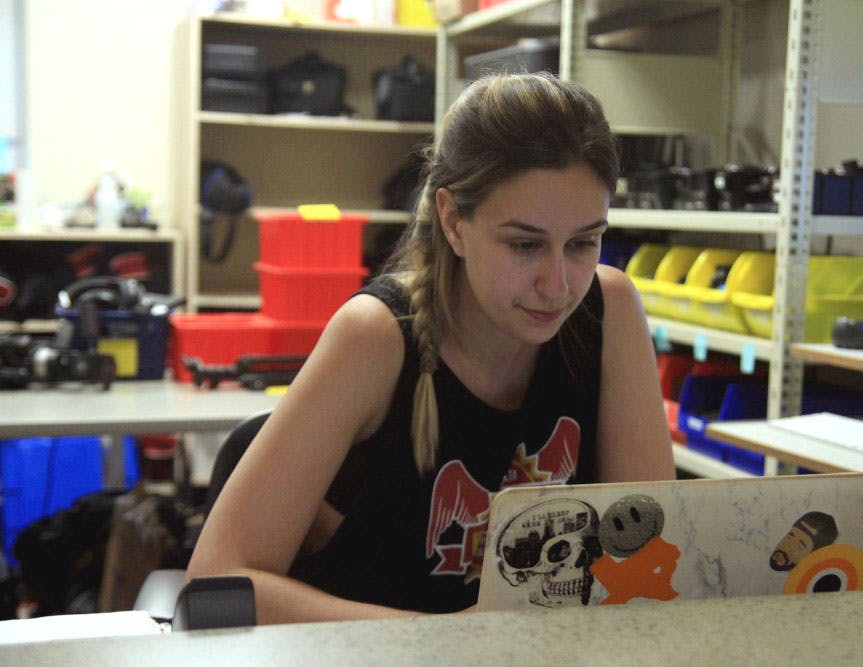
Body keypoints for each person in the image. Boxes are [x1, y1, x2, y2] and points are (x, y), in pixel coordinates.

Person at [186, 72, 675, 624]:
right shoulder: (375, 337)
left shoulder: (607, 311)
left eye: (584, 242)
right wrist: (449, 644)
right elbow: (217, 583)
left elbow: (648, 546)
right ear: (453, 220)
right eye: (524, 244)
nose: (558, 285)